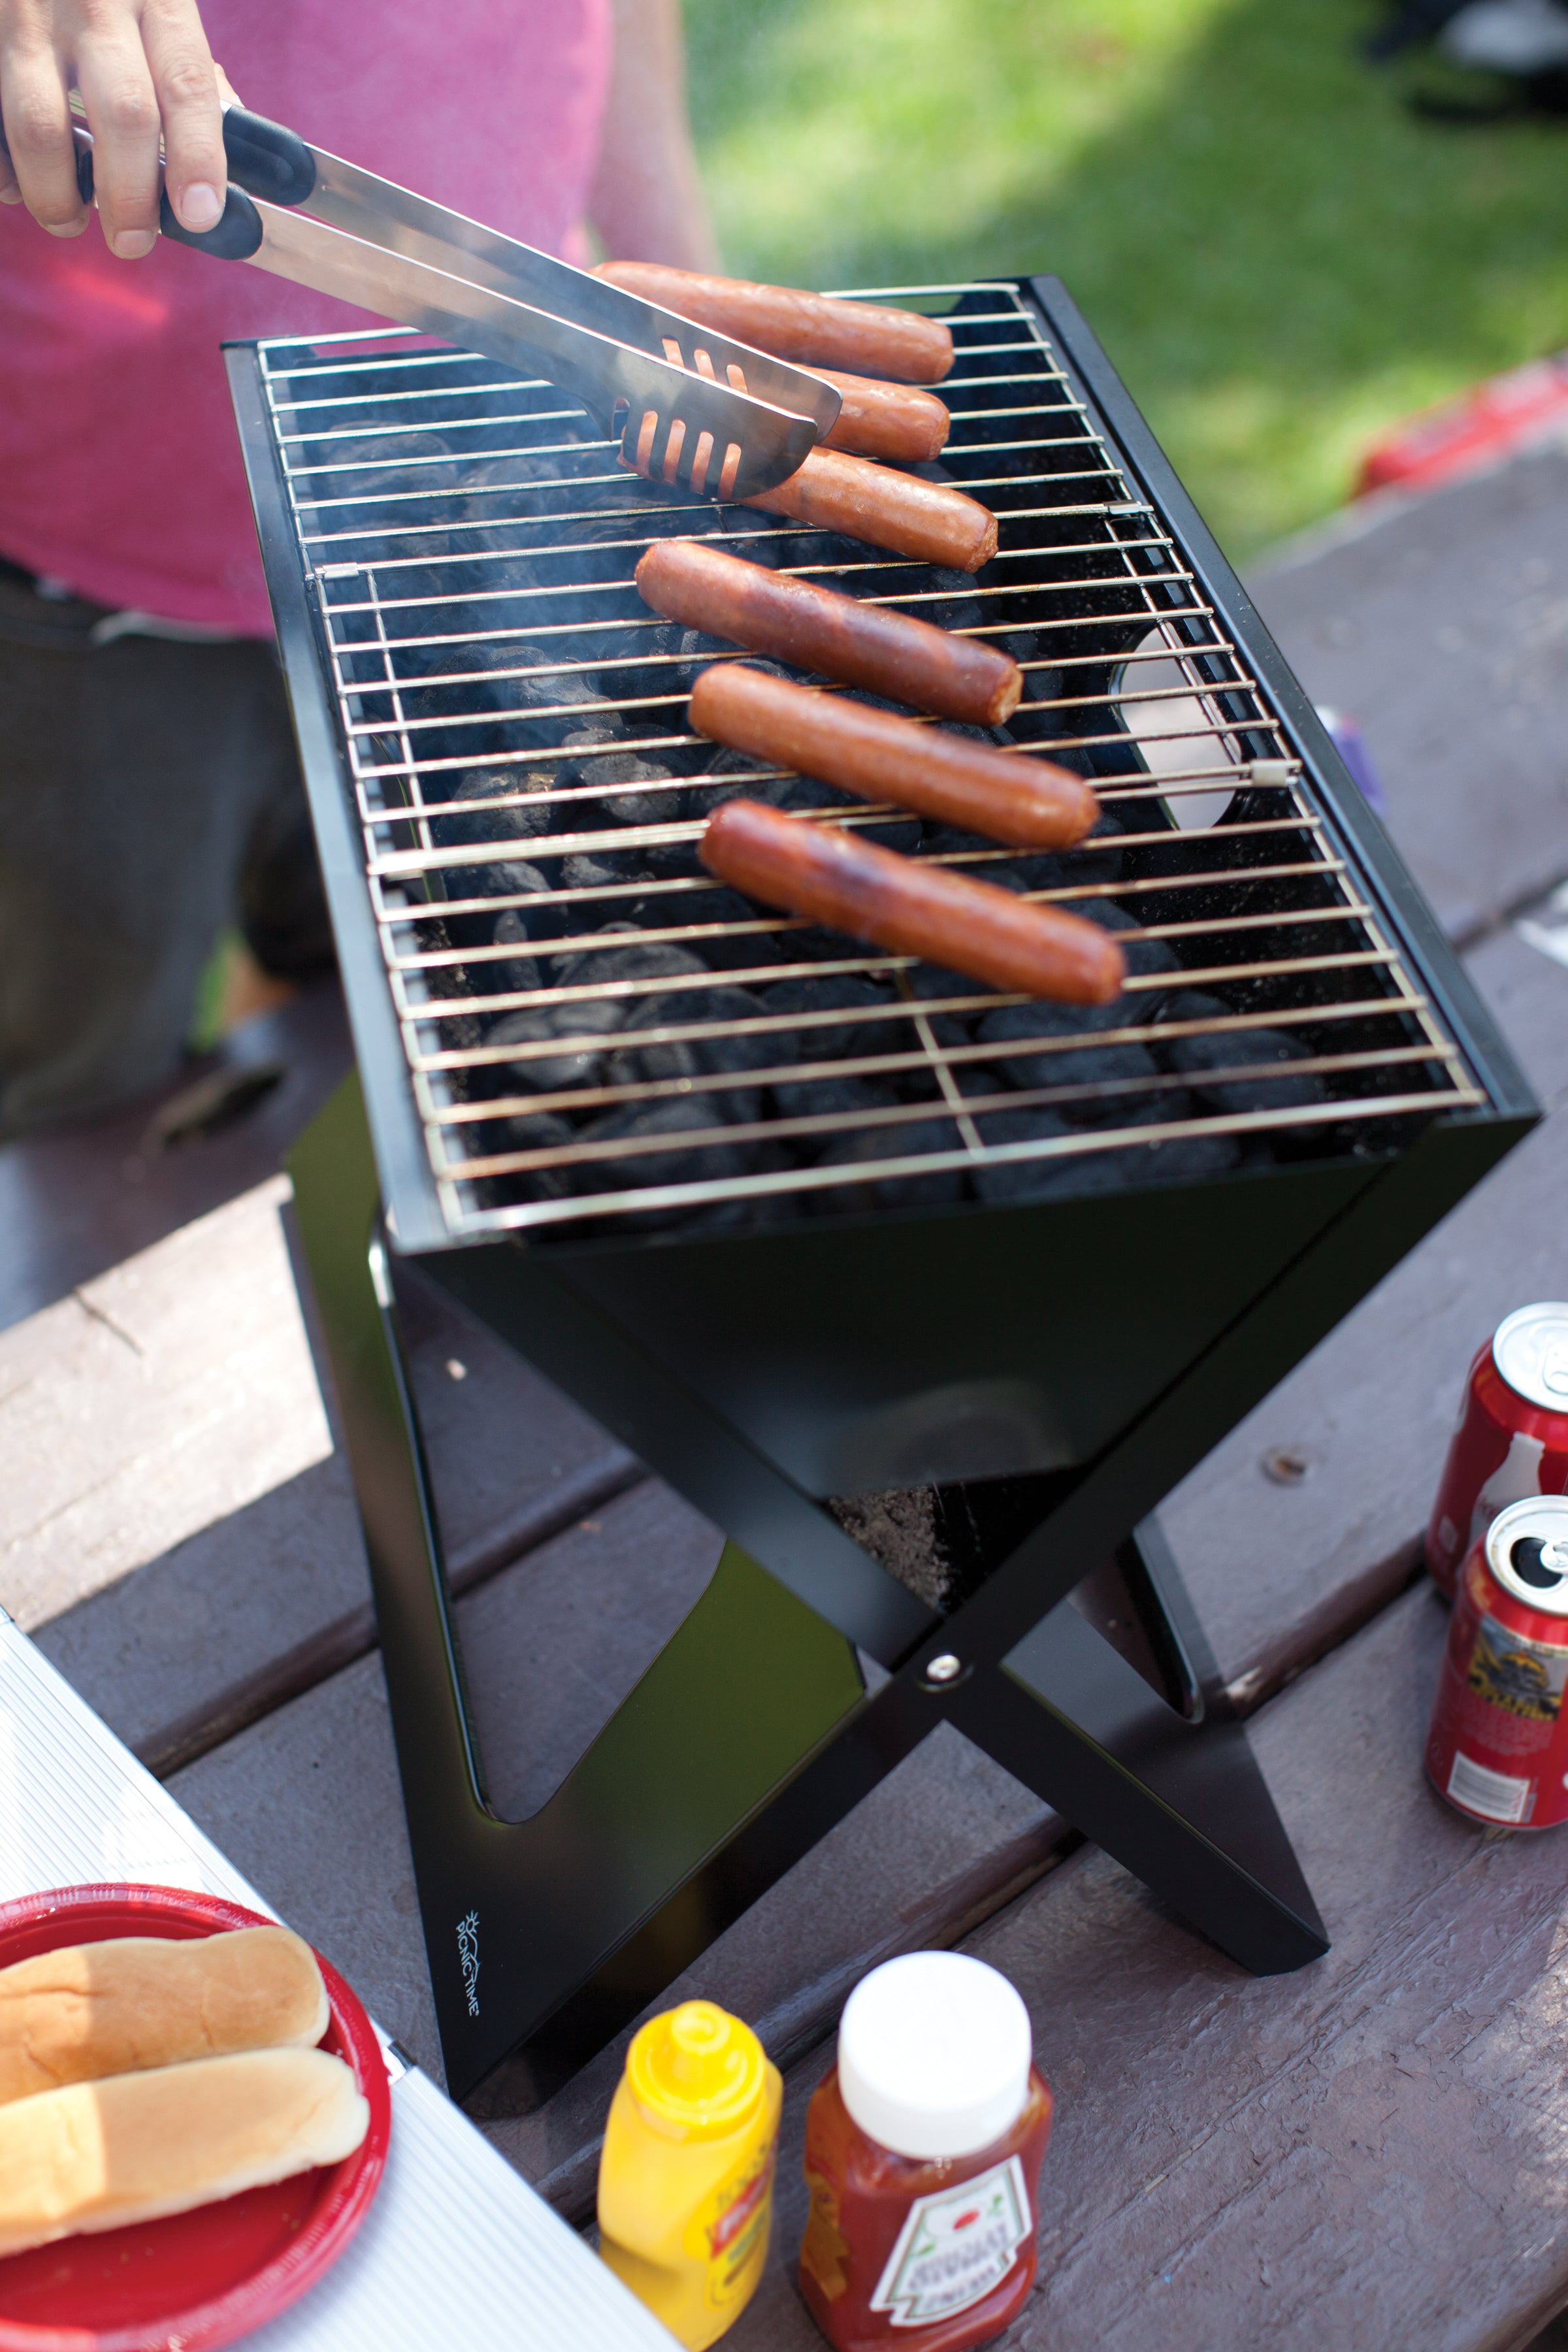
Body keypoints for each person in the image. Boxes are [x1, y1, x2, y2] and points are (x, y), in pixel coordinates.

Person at [0, 0, 716, 1135]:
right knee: (77, 1099)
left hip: (492, 516)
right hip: (89, 567)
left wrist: (679, 295)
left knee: (397, 1011)